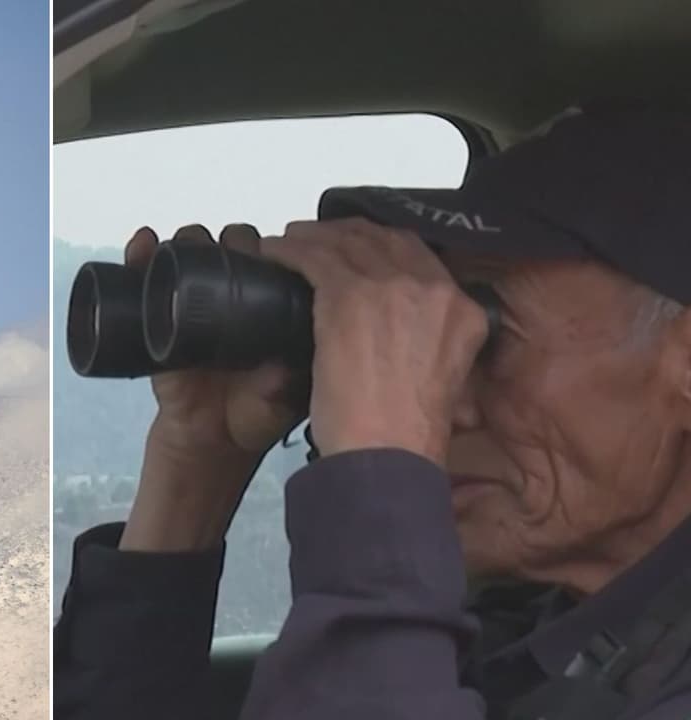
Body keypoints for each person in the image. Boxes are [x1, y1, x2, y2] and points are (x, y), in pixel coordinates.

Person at [53, 103, 691, 720]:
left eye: (487, 334)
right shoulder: (535, 632)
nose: (442, 401)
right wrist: (198, 461)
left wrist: (377, 483)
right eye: (434, 334)